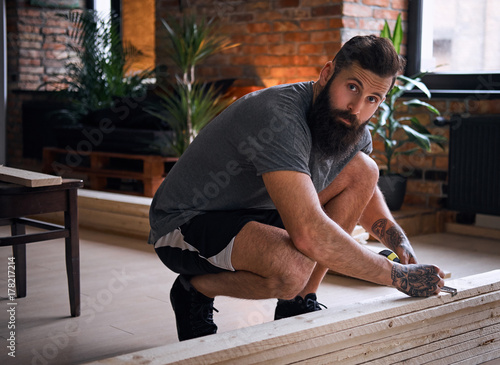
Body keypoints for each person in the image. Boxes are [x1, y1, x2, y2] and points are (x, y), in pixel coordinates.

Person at [149, 35, 446, 342]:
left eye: (373, 98)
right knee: (290, 269)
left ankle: (299, 302)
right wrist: (396, 276)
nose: (357, 108)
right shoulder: (279, 117)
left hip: (257, 213)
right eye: (353, 87)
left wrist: (399, 242)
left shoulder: (349, 126)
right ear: (328, 73)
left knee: (363, 169)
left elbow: (363, 190)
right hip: (187, 220)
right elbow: (308, 233)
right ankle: (193, 291)